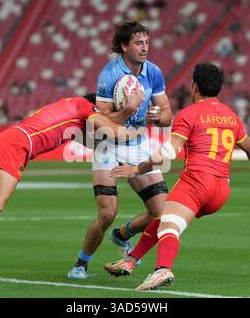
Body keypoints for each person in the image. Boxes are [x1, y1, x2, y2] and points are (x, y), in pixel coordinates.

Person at [0, 91, 143, 284]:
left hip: (8, 138)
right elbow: (111, 130)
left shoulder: (69, 107)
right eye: (104, 105)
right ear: (95, 104)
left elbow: (101, 132)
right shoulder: (84, 107)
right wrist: (135, 121)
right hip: (17, 144)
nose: (105, 110)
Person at [104, 63, 250, 291]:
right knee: (165, 216)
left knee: (170, 225)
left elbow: (168, 152)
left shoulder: (189, 114)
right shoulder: (231, 117)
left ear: (193, 86)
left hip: (197, 182)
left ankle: (162, 270)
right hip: (221, 191)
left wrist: (136, 169)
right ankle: (130, 260)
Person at [68, 21, 173, 279]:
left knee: (162, 211)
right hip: (108, 147)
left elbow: (168, 114)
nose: (145, 48)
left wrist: (158, 117)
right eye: (139, 43)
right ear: (125, 46)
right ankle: (80, 265)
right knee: (107, 214)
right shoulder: (109, 74)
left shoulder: (154, 72)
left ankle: (122, 234)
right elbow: (103, 120)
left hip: (138, 145)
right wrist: (129, 109)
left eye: (147, 42)